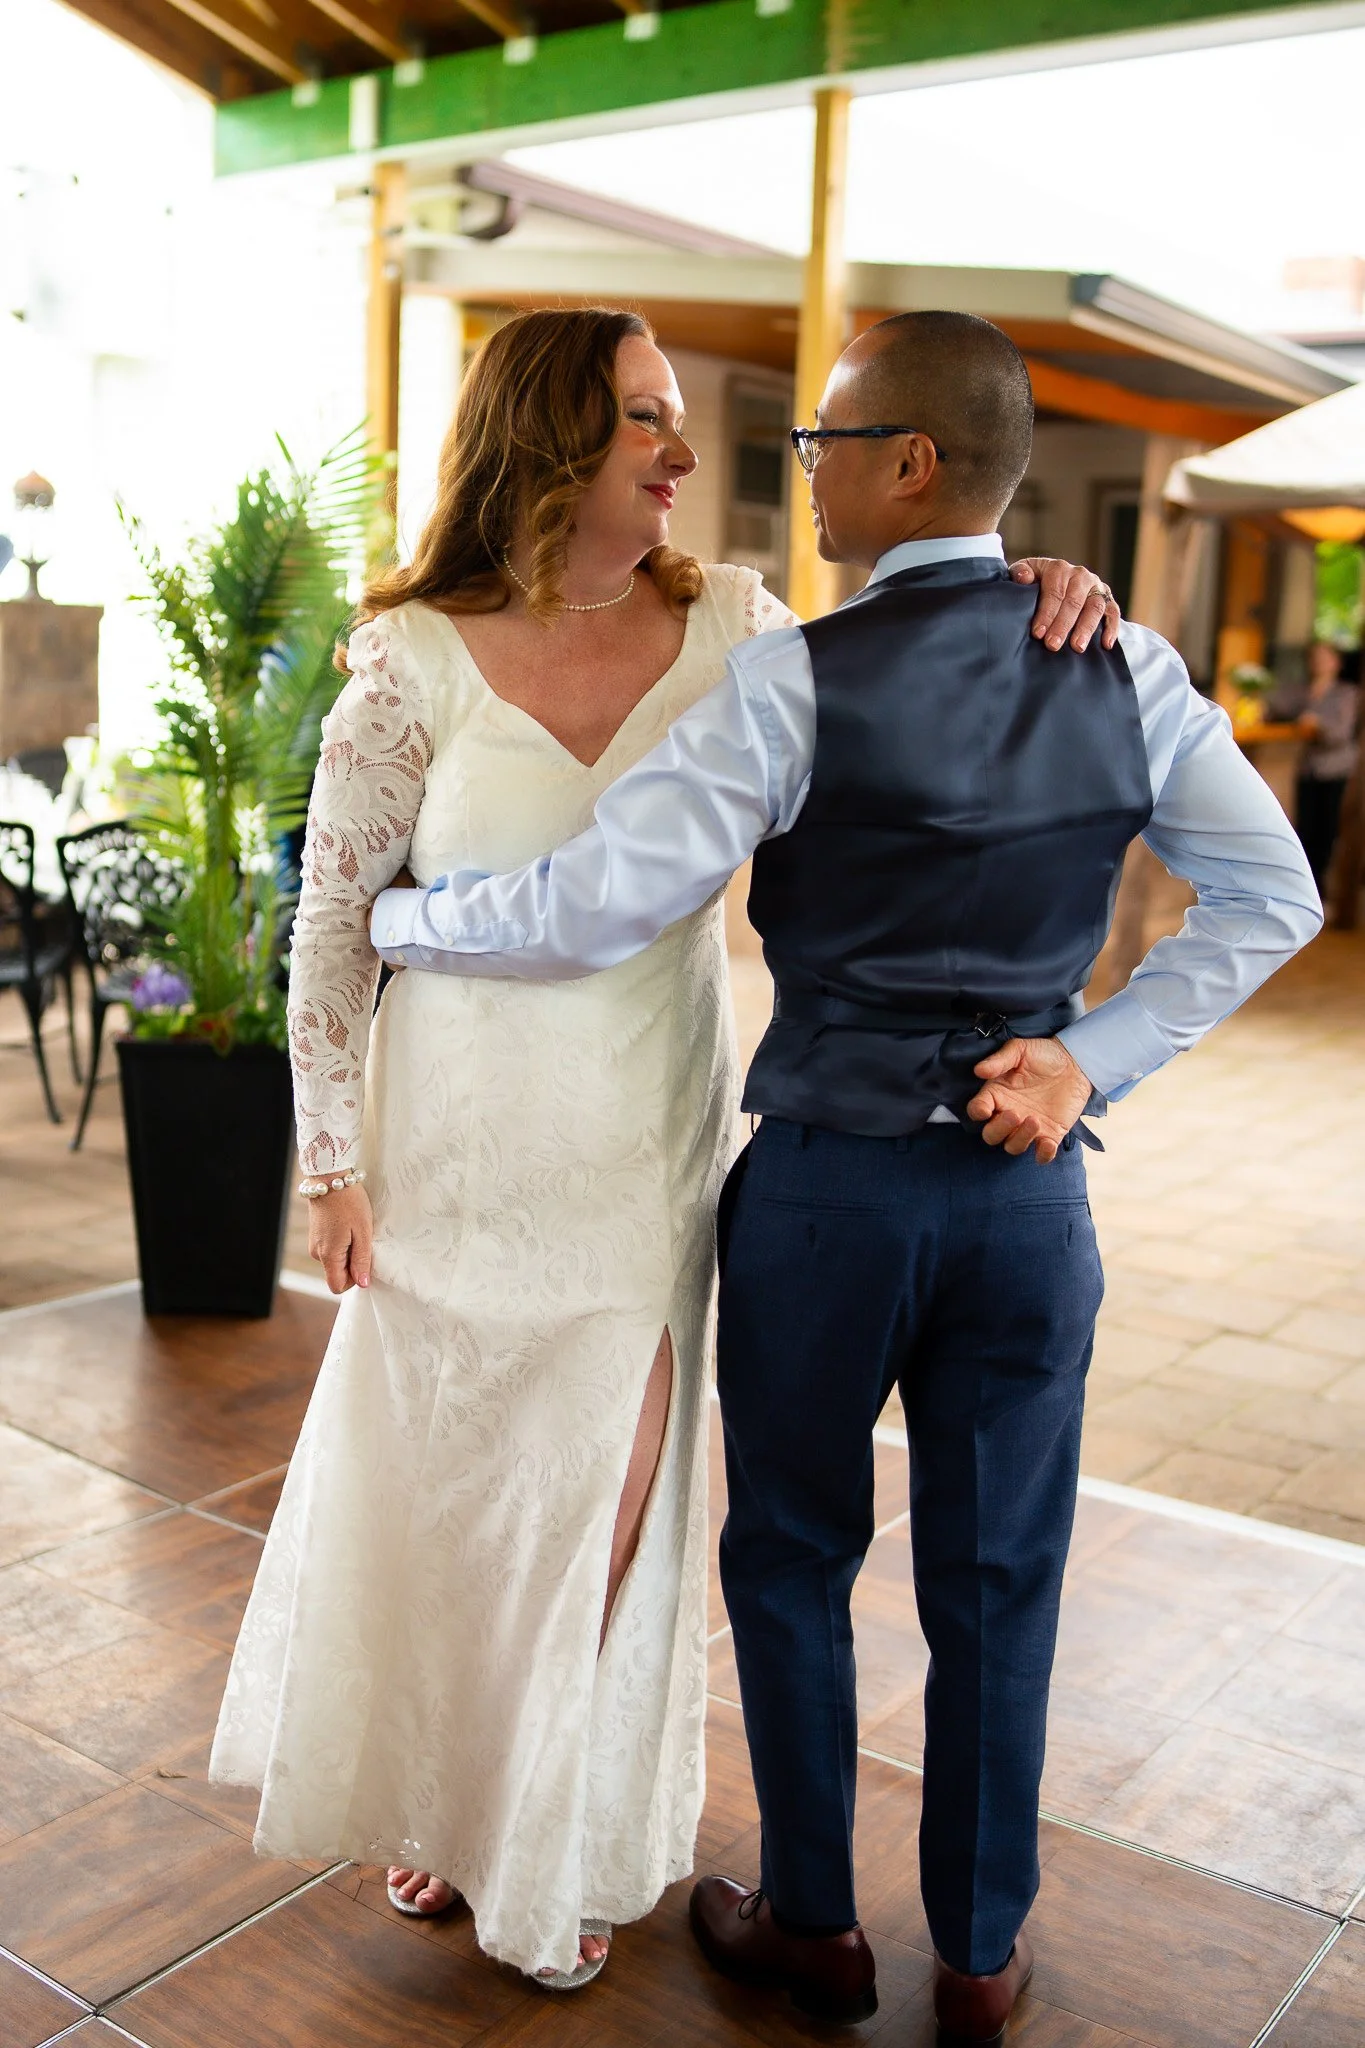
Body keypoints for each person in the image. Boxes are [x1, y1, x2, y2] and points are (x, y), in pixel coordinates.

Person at [368, 311, 1322, 2039]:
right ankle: (980, 1948)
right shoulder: (1127, 664)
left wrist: (405, 916)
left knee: (794, 1557)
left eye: (825, 440)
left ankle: (814, 1921)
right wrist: (1085, 1052)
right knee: (1001, 1575)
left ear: (910, 464)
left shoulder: (793, 677)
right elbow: (1277, 898)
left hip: (825, 1193)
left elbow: (594, 902)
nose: (800, 469)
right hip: (1029, 1201)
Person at [208, 304, 1116, 1991]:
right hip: (450, 1149)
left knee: (608, 1504)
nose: (686, 452)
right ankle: (452, 1788)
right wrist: (331, 1162)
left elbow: (934, 684)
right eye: (647, 416)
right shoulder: (406, 659)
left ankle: (541, 1831)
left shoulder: (748, 634)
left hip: (641, 1146)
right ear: (552, 438)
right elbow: (332, 929)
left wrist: (1057, 592)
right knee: (462, 1488)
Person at [1295, 639, 1360, 890]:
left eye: (1325, 657)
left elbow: (1340, 734)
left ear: (1337, 662)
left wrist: (1317, 724)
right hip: (1309, 769)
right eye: (1315, 657)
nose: (1319, 662)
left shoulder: (1347, 693)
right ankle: (1305, 887)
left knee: (1327, 831)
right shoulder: (1304, 691)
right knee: (1305, 830)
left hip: (1335, 770)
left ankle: (1321, 890)